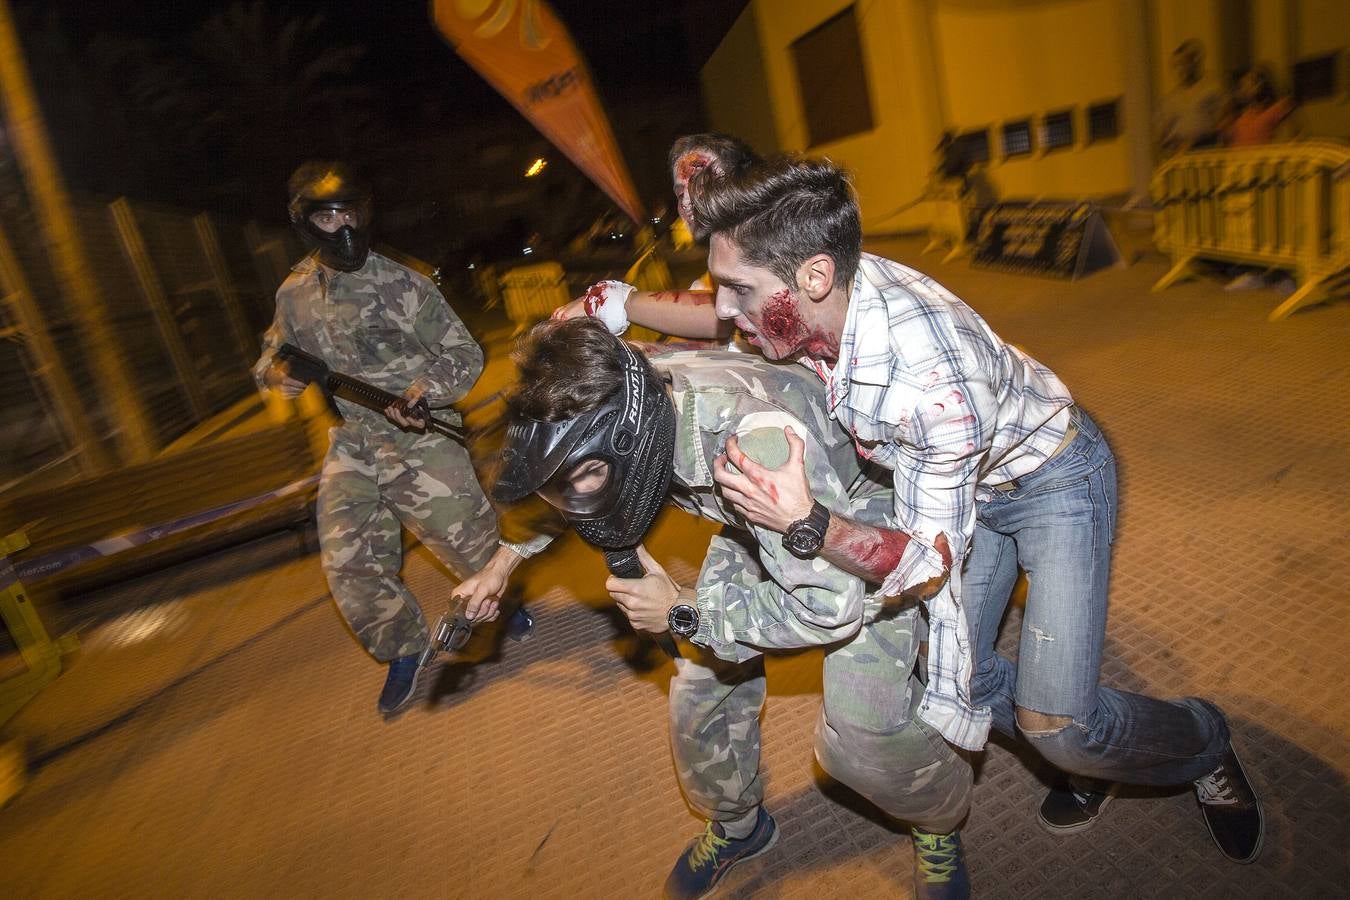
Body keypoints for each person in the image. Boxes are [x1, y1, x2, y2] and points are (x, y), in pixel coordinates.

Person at [561, 155, 1265, 866]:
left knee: (1058, 724)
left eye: (740, 291)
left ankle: (1201, 743)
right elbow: (706, 313)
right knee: (958, 678)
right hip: (954, 486)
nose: (725, 311)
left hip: (1052, 481)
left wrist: (807, 522)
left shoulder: (929, 385)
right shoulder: (816, 286)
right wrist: (611, 310)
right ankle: (1095, 758)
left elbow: (924, 564)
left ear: (812, 277)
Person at [459, 318, 975, 900]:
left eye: (589, 474)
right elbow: (566, 483)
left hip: (853, 519)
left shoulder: (750, 445)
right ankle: (739, 827)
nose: (577, 494)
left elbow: (830, 608)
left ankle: (937, 824)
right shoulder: (619, 388)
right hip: (754, 515)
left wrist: (682, 611)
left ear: (629, 438)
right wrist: (501, 563)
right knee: (697, 699)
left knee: (860, 737)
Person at [253, 161, 527, 717]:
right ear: (305, 222)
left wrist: (426, 388)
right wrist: (273, 375)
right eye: (329, 216)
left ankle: (503, 596)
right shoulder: (294, 294)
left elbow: (466, 354)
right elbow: (272, 353)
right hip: (352, 440)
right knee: (347, 558)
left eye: (351, 212)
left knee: (466, 536)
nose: (343, 226)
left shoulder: (405, 283)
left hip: (418, 434)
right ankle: (403, 648)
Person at [560, 133, 761, 347]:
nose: (686, 201)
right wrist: (641, 357)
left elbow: (723, 319)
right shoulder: (719, 260)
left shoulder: (765, 239)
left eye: (702, 185)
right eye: (680, 192)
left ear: (743, 185)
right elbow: (701, 329)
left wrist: (610, 301)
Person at [1156, 39, 1225, 157]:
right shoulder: (1171, 99)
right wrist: (1166, 143)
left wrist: (1196, 141)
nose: (1180, 70)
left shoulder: (1213, 88)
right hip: (1179, 158)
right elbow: (1162, 132)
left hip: (1206, 153)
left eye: (1183, 64)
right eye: (1176, 66)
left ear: (1195, 61)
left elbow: (1223, 121)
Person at [1225, 64, 1295, 147]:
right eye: (1242, 84)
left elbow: (1289, 136)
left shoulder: (1277, 109)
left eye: (1252, 82)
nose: (1245, 87)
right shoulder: (1238, 116)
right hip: (1241, 157)